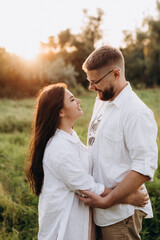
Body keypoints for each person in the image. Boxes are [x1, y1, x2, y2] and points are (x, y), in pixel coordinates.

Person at [27, 83, 148, 240]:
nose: (79, 101)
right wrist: (129, 198)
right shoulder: (59, 149)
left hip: (81, 221)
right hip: (65, 227)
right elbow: (87, 187)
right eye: (72, 100)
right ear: (61, 112)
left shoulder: (70, 135)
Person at [79, 45, 158, 240]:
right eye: (89, 81)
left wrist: (109, 201)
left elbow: (143, 167)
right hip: (100, 209)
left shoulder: (136, 113)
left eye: (95, 81)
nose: (91, 87)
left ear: (116, 73)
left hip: (120, 215)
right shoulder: (102, 100)